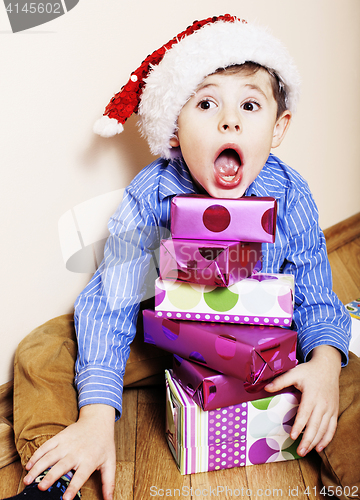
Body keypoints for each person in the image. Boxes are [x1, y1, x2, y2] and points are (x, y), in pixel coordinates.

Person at [6, 14, 359, 500]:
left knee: (345, 372)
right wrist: (95, 413)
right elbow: (111, 300)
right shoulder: (153, 192)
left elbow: (317, 296)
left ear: (279, 128)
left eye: (250, 105)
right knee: (44, 350)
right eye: (207, 102)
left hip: (270, 347)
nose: (229, 120)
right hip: (167, 340)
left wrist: (322, 362)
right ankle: (60, 472)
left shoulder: (289, 193)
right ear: (174, 130)